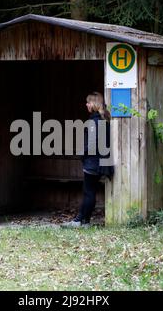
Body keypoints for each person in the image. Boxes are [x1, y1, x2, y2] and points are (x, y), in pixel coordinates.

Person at [62, 91, 113, 228]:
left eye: (88, 102)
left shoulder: (93, 121)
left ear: (94, 104)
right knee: (91, 192)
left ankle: (78, 221)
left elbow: (91, 144)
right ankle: (85, 222)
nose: (86, 104)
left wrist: (82, 155)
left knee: (88, 192)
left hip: (92, 162)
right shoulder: (105, 119)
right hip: (101, 161)